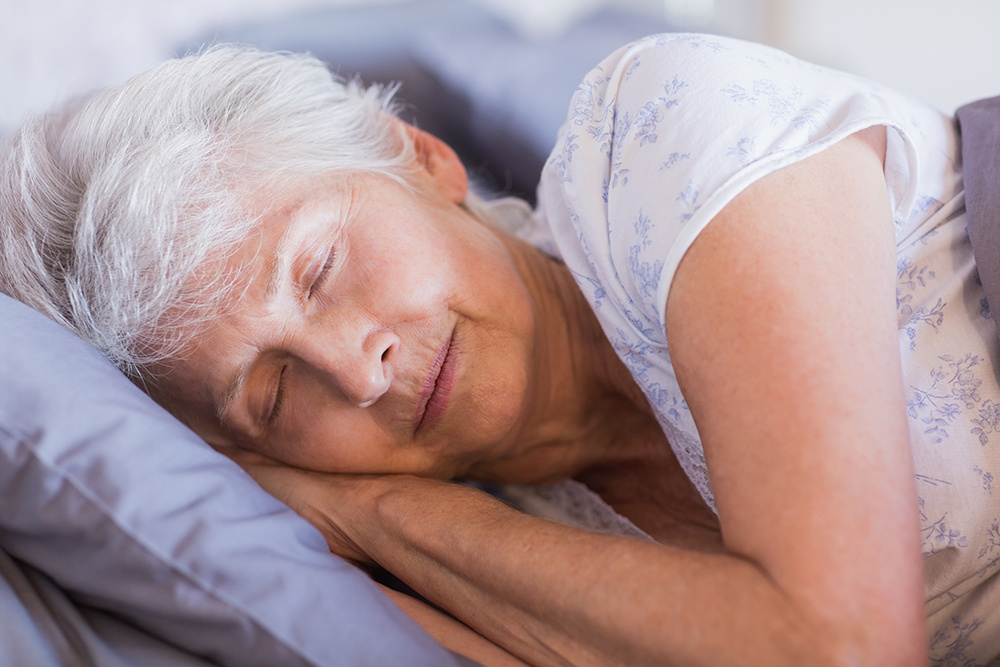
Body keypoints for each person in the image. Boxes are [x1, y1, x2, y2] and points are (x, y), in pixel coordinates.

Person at [0, 33, 996, 665]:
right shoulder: (495, 543)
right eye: (272, 393)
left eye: (318, 270)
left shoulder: (666, 135)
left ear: (420, 161)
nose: (357, 369)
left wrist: (381, 509)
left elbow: (841, 646)